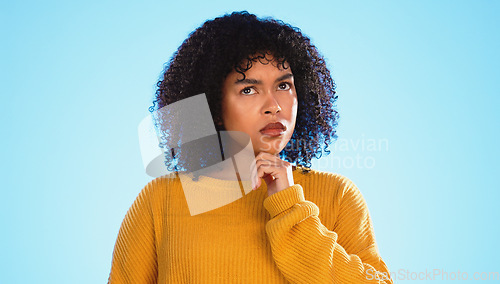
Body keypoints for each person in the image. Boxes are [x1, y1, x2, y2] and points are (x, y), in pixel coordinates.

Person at [108, 11, 393, 283]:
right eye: (248, 89)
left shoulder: (337, 196)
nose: (274, 106)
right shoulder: (161, 201)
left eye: (284, 86)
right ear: (213, 105)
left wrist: (290, 209)